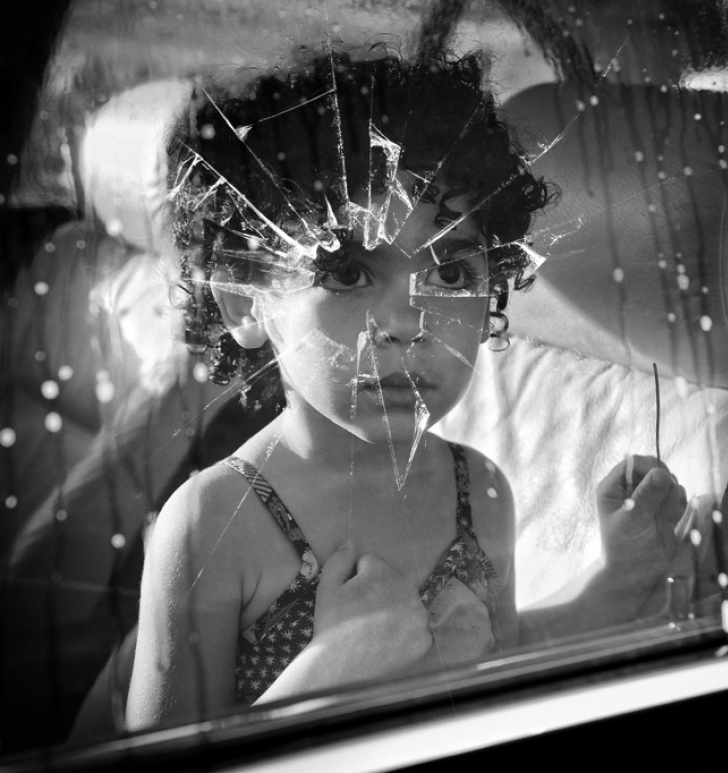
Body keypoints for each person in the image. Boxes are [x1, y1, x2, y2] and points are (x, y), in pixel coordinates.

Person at [126, 51, 687, 730]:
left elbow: (504, 662)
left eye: (450, 275)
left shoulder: (478, 491)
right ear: (247, 302)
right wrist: (326, 675)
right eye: (347, 273)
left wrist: (617, 578)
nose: (408, 322)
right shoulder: (212, 523)